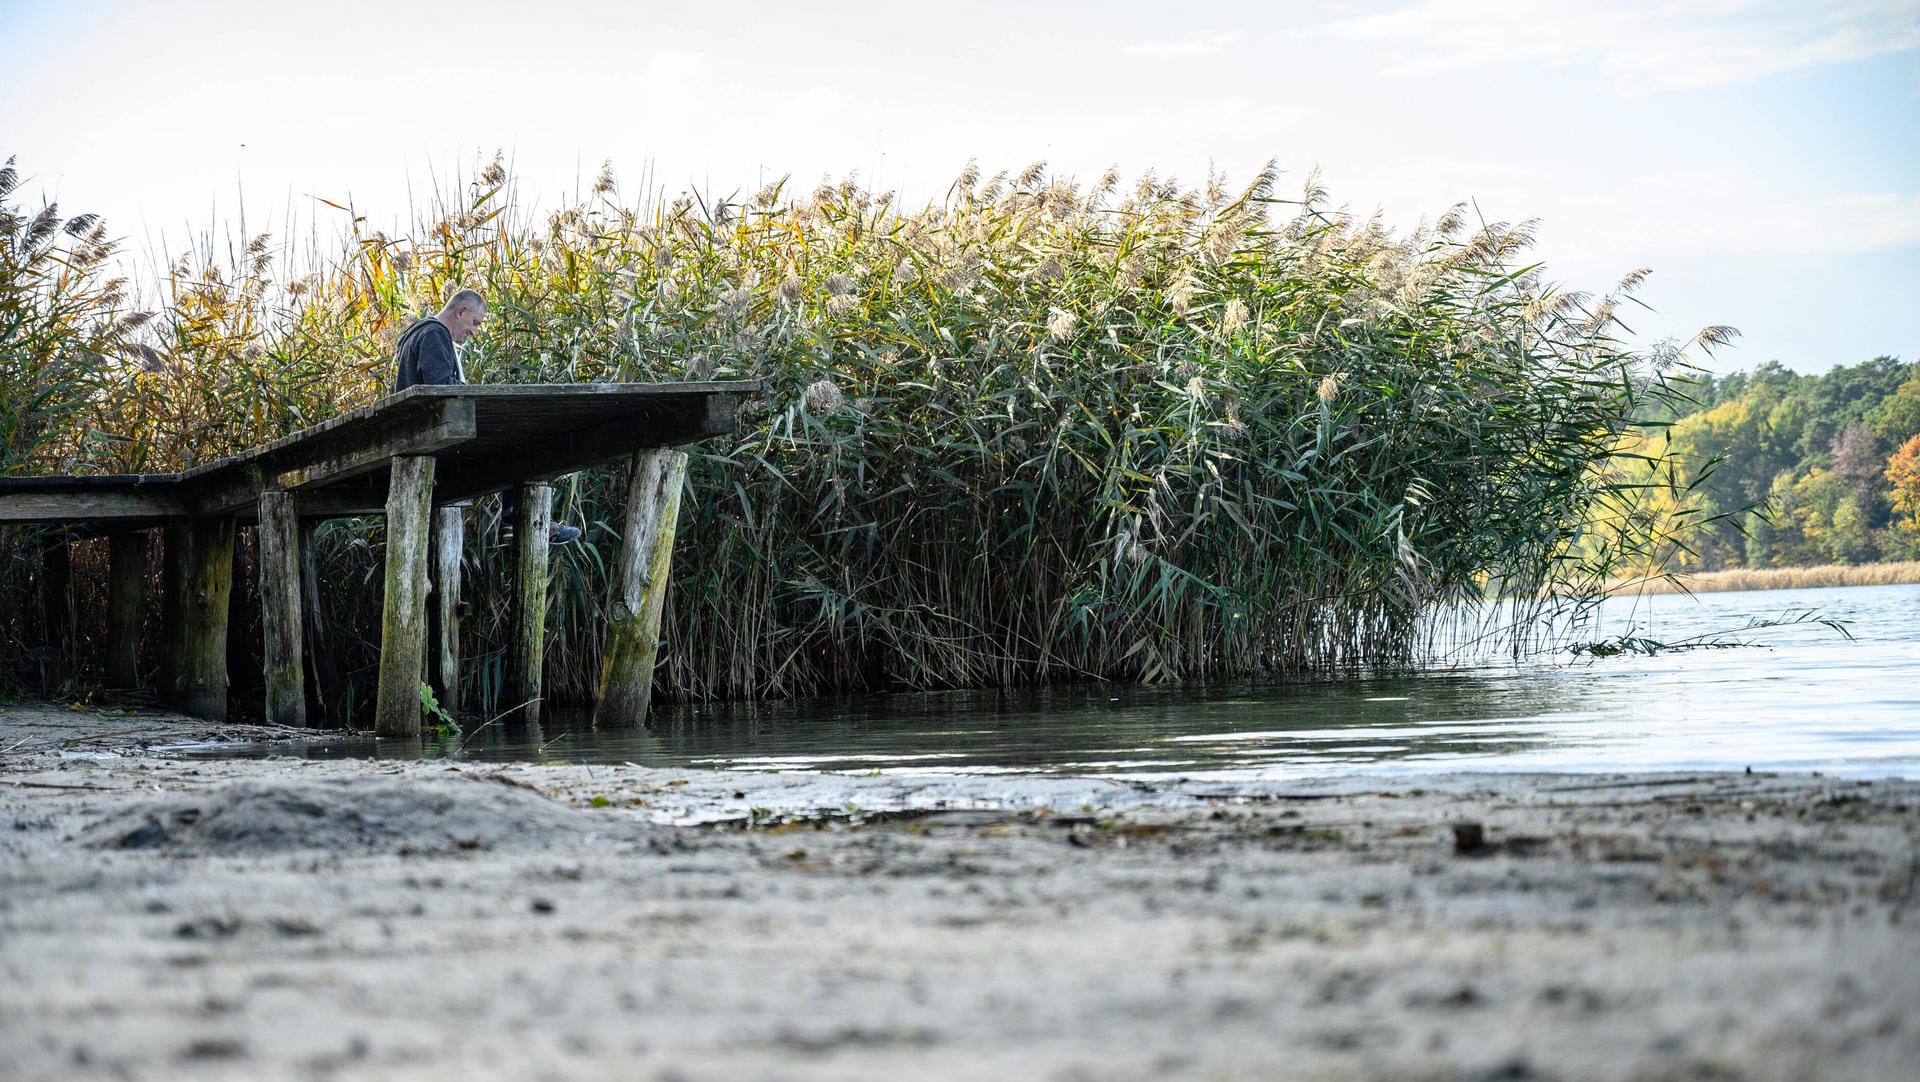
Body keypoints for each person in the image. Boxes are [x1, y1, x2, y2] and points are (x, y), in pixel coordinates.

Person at [392, 290, 581, 544]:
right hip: (435, 448)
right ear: (461, 312)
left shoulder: (420, 334)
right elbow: (440, 388)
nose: (474, 332)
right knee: (520, 439)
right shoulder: (434, 333)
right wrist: (477, 395)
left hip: (426, 441)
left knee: (512, 442)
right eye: (474, 323)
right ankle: (516, 521)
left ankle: (512, 521)